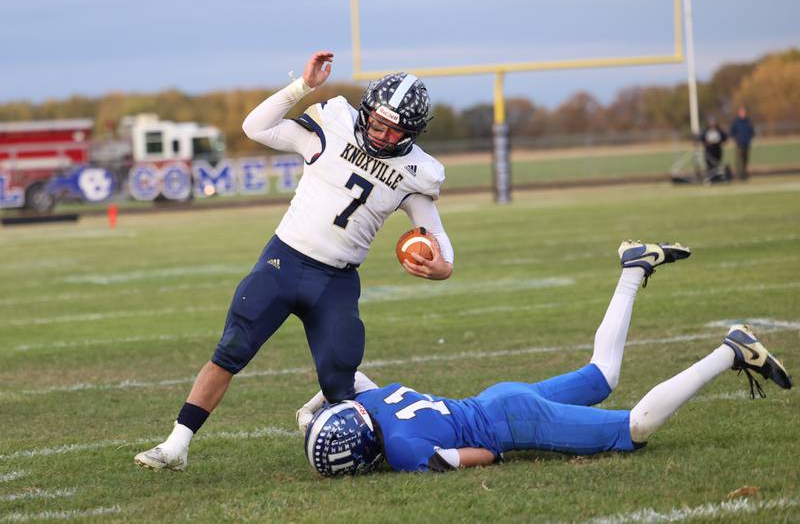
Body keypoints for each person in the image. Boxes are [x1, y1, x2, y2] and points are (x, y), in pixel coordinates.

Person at [135, 51, 455, 471]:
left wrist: (443, 267)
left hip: (336, 282)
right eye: (378, 123)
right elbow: (255, 127)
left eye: (395, 131)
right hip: (283, 263)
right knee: (232, 350)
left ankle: (355, 425)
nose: (382, 135)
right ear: (365, 112)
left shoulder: (416, 172)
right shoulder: (331, 127)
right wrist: (302, 87)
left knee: (340, 378)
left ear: (412, 133)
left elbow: (438, 238)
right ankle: (177, 444)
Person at [297, 240, 792, 476]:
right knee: (601, 375)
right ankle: (634, 267)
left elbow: (482, 456)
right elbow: (351, 376)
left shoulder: (405, 452)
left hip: (511, 421)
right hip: (495, 398)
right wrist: (311, 410)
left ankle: (729, 352)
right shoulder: (374, 400)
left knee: (633, 431)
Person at [729, 106, 756, 180]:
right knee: (738, 160)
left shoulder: (748, 121)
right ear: (739, 113)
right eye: (742, 112)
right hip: (739, 144)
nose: (743, 113)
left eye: (744, 112)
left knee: (745, 160)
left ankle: (744, 175)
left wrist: (750, 138)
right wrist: (736, 139)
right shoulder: (736, 122)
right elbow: (732, 132)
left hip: (746, 143)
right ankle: (738, 175)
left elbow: (752, 132)